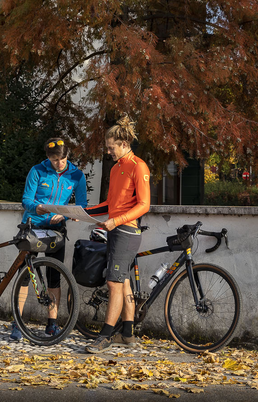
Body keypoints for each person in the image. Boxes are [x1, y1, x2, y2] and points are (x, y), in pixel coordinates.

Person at [84, 115, 151, 353]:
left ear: (123, 144)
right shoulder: (115, 169)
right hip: (115, 229)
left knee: (113, 282)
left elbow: (144, 205)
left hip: (126, 231)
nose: (108, 152)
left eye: (111, 148)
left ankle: (105, 336)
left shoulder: (138, 166)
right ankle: (127, 334)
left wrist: (116, 221)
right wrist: (81, 212)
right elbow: (109, 204)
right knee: (122, 283)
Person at [10, 137, 87, 341]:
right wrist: (37, 207)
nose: (58, 164)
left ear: (67, 156)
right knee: (25, 275)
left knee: (54, 276)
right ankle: (17, 322)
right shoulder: (37, 171)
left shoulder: (77, 175)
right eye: (54, 161)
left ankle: (52, 324)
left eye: (61, 160)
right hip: (33, 226)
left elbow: (82, 205)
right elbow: (26, 199)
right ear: (48, 157)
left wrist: (67, 215)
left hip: (56, 229)